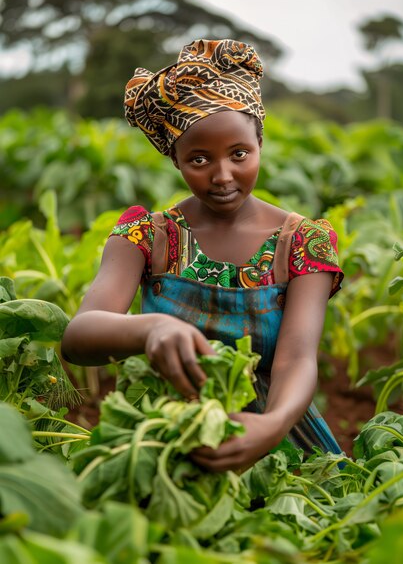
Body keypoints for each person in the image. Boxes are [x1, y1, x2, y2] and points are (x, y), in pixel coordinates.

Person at [62, 39, 344, 472]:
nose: (222, 176)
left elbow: (297, 357)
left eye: (239, 154)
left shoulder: (301, 242)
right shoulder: (145, 237)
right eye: (199, 159)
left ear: (260, 142)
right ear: (175, 159)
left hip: (279, 444)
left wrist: (271, 426)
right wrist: (150, 329)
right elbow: (79, 338)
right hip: (162, 439)